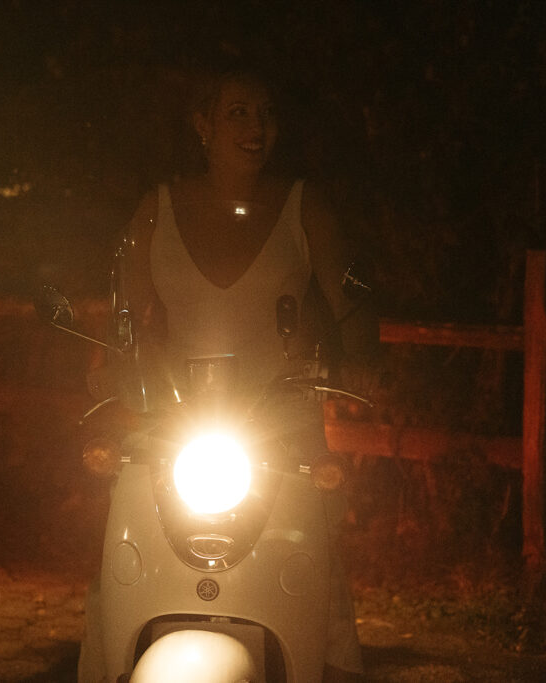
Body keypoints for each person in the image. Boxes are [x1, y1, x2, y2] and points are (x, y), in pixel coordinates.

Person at [121, 62, 379, 681]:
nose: (256, 127)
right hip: (177, 428)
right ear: (202, 124)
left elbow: (351, 294)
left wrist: (362, 358)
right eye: (238, 112)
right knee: (127, 563)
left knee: (310, 582)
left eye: (266, 114)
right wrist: (109, 369)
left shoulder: (304, 207)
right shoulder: (155, 209)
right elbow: (123, 318)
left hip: (280, 427)